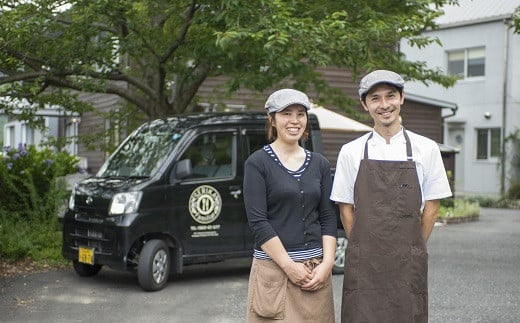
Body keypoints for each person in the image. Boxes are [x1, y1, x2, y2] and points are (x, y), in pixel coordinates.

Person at [330, 70, 452, 323]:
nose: (384, 105)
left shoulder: (426, 148)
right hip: (364, 263)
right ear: (365, 104)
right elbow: (345, 208)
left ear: (402, 98)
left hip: (408, 261)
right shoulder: (350, 151)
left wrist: (414, 246)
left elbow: (432, 207)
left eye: (390, 96)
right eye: (375, 98)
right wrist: (364, 246)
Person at [243, 88, 337, 322]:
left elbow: (327, 217)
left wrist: (327, 263)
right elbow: (258, 222)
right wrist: (289, 266)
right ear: (272, 120)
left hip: (315, 273)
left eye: (300, 114)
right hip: (274, 273)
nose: (294, 121)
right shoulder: (257, 163)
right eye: (286, 114)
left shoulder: (320, 164)